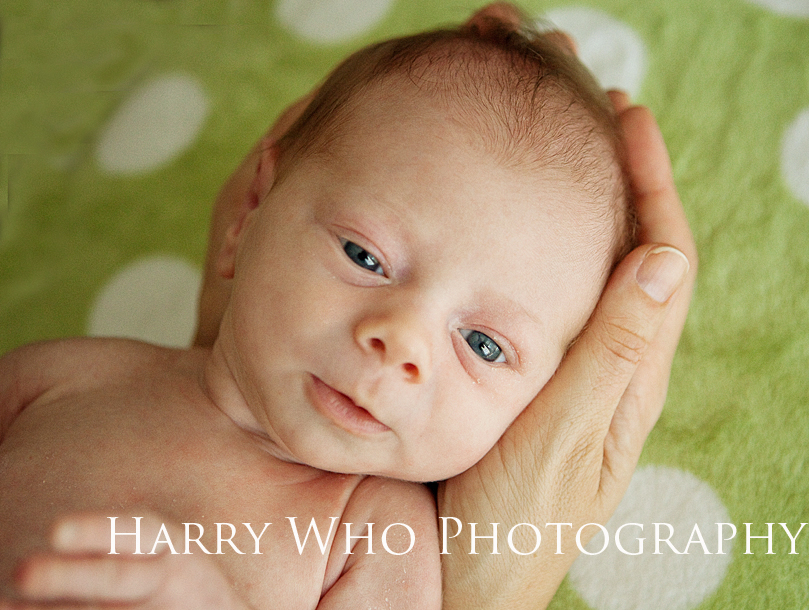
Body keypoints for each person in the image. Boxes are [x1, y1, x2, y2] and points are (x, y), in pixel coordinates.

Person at [0, 5, 696, 610]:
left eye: (484, 344)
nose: (401, 341)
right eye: (365, 257)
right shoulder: (74, 377)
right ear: (249, 216)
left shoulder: (376, 538)